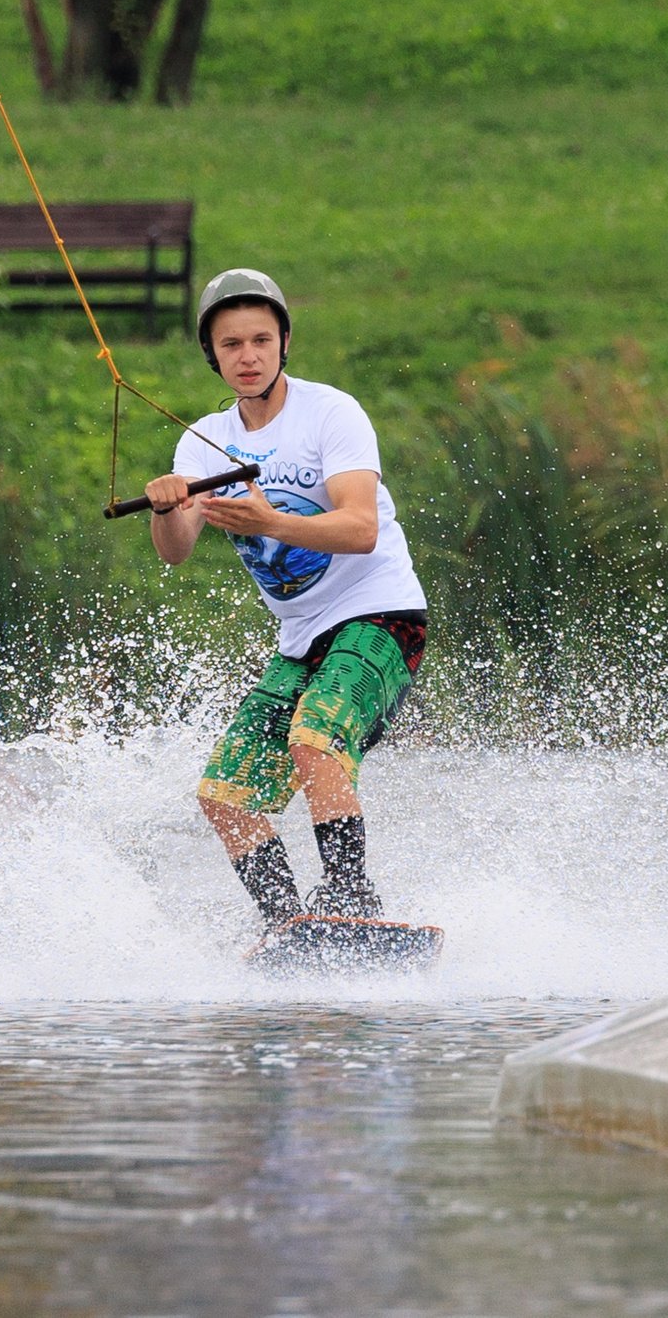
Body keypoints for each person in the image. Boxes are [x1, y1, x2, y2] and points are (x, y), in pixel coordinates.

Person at [143, 269, 429, 932]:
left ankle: (352, 901)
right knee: (224, 795)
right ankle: (290, 927)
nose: (247, 356)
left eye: (261, 340)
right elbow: (176, 549)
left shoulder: (331, 413)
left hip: (381, 613)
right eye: (231, 344)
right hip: (301, 640)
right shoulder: (202, 440)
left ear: (284, 343)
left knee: (315, 738)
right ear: (212, 354)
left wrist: (271, 522)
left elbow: (361, 528)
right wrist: (165, 507)